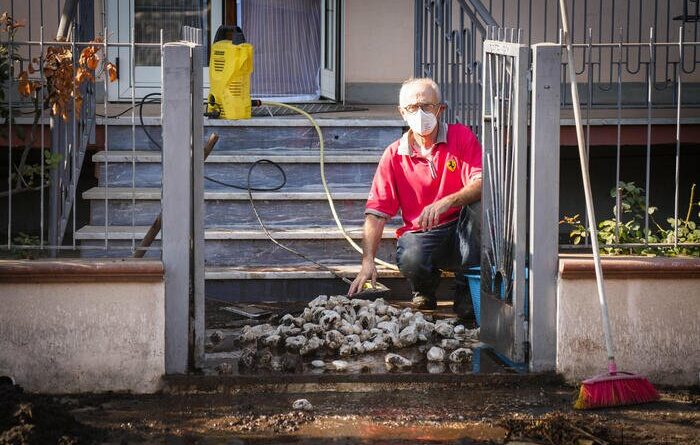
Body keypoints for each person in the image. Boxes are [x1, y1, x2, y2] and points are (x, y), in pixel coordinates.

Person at [348, 77, 482, 319]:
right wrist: (367, 261)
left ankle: (466, 295)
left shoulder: (461, 137)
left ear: (441, 109)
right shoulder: (393, 155)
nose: (420, 113)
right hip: (424, 234)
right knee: (410, 254)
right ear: (402, 113)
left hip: (462, 232)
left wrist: (447, 201)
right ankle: (424, 290)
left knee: (480, 207)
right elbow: (376, 213)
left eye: (427, 106)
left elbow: (481, 182)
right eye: (412, 107)